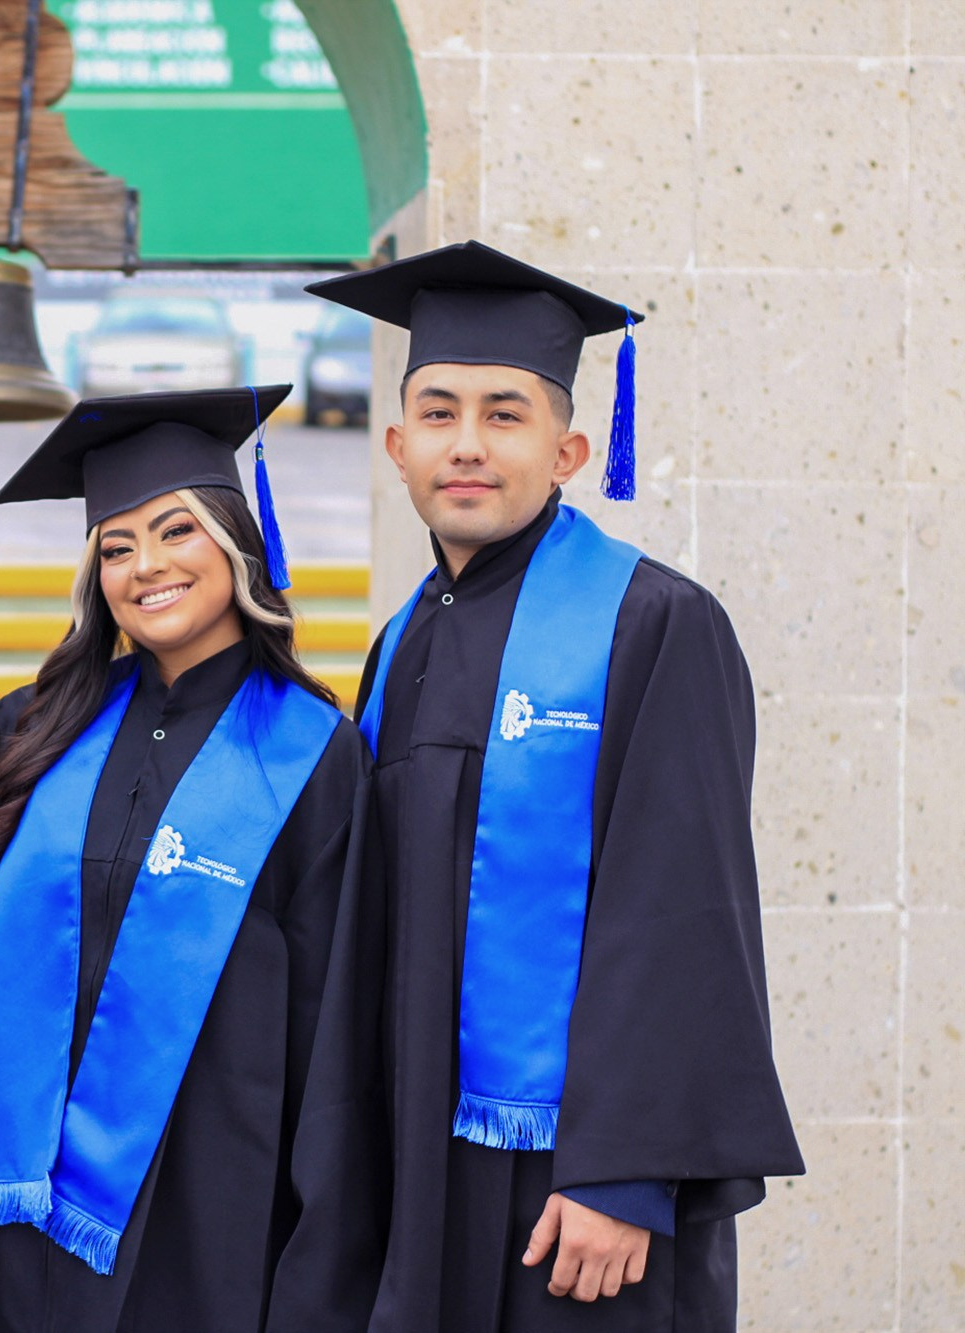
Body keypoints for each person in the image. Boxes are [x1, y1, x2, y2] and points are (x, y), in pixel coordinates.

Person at [308, 242, 804, 1331]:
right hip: (423, 1154)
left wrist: (623, 1173)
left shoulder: (653, 621)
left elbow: (682, 908)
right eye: (437, 413)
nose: (467, 444)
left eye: (505, 414)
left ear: (567, 450)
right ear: (397, 447)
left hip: (576, 1176)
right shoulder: (398, 645)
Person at [0, 387, 387, 1332]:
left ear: (234, 542)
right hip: (22, 1227)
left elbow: (339, 1034)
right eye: (116, 547)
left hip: (214, 1220)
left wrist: (319, 1264)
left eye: (176, 530)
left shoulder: (313, 758)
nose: (146, 566)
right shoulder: (38, 729)